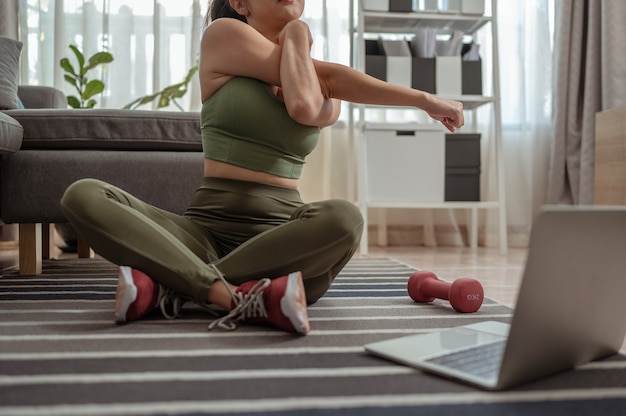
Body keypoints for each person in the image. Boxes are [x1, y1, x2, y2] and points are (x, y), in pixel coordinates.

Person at [60, 0, 464, 335]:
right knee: (84, 195)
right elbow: (309, 101)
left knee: (344, 219)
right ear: (240, 3)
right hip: (203, 231)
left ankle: (177, 285)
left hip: (283, 240)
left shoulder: (318, 76)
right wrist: (300, 34)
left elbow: (305, 96)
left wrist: (424, 101)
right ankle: (232, 295)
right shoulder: (222, 36)